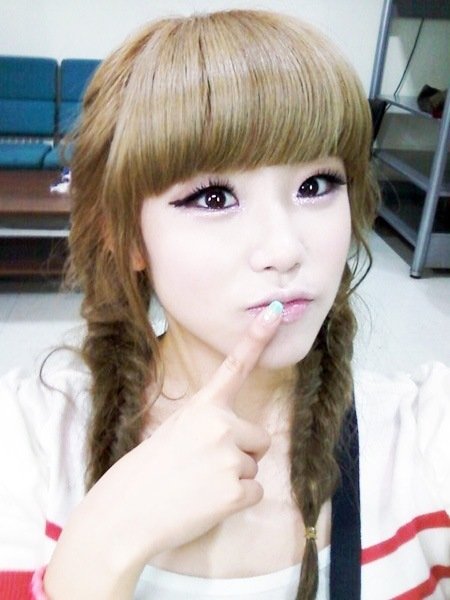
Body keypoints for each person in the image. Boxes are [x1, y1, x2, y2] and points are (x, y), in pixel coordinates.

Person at [0, 9, 449, 600]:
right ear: (127, 237)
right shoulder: (28, 439)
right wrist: (104, 542)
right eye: (214, 197)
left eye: (315, 185)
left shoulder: (420, 437)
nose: (285, 249)